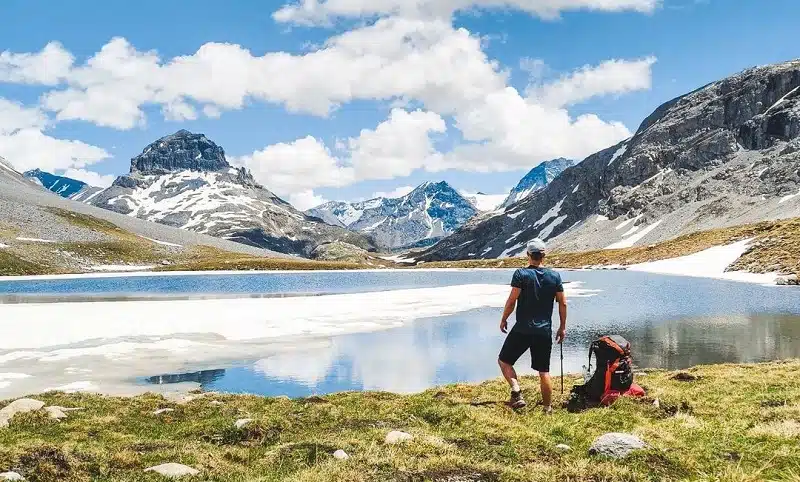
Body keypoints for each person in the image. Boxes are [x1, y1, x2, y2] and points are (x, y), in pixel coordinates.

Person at [498, 238, 567, 412]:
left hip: (522, 328)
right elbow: (562, 303)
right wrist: (562, 327)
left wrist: (504, 318)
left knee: (504, 361)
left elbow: (512, 300)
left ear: (528, 255)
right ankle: (547, 408)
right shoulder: (555, 276)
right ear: (543, 255)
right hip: (544, 330)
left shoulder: (521, 274)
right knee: (544, 371)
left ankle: (516, 391)